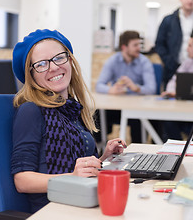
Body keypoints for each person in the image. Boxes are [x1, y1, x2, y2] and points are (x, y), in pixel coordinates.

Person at [10, 29, 127, 213]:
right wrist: (72, 176)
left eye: (58, 58)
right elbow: (22, 181)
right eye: (41, 64)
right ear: (31, 76)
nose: (54, 67)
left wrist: (105, 158)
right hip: (53, 209)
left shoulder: (71, 108)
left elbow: (79, 168)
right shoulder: (31, 111)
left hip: (82, 199)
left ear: (70, 61)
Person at [95, 30, 156, 143]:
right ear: (124, 47)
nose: (139, 48)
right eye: (135, 45)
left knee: (139, 122)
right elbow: (99, 85)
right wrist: (111, 90)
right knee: (97, 115)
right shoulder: (113, 61)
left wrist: (136, 88)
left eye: (139, 44)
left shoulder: (144, 62)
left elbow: (152, 88)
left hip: (138, 108)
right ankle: (99, 150)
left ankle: (139, 153)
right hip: (117, 107)